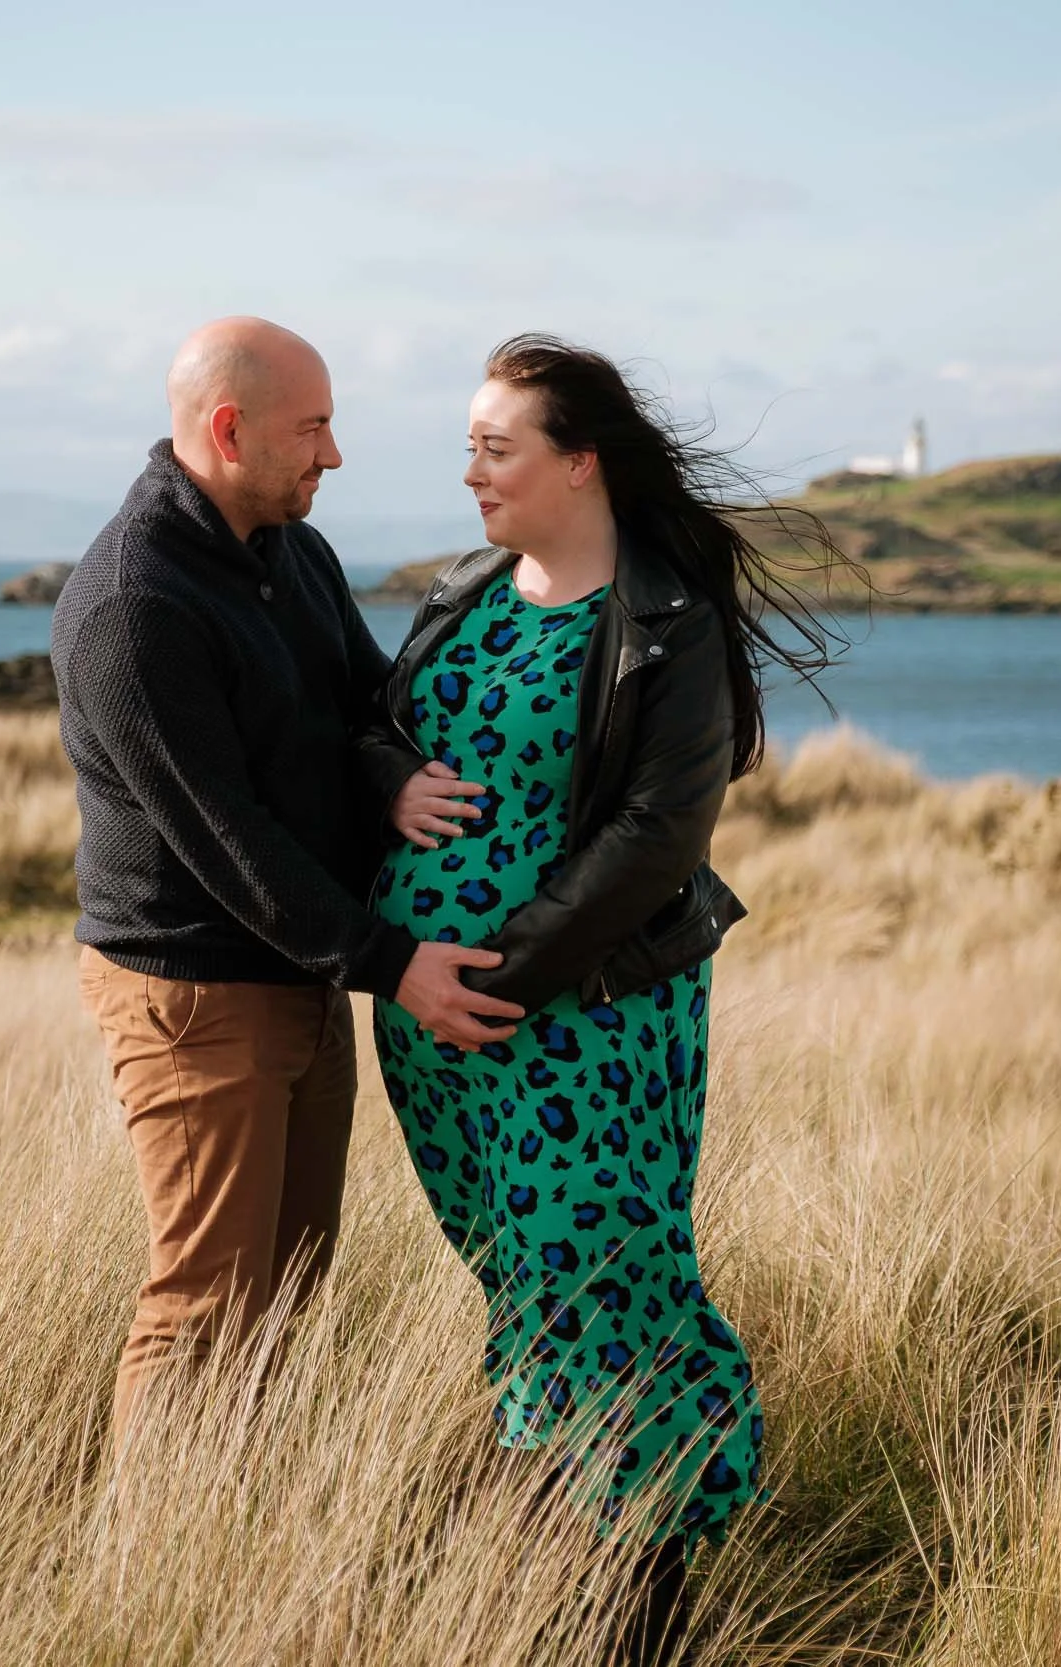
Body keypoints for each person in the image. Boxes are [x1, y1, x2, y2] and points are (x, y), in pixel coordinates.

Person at [366, 334, 852, 1661]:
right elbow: (380, 724)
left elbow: (657, 829)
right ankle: (554, 1575)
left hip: (579, 1022)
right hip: (438, 1034)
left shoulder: (665, 618)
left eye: (495, 444)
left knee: (607, 1279)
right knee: (525, 1282)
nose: (469, 468)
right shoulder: (464, 590)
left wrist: (502, 976)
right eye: (470, 444)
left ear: (581, 460)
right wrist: (384, 782)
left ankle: (638, 1605)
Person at [51, 317, 525, 1455]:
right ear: (228, 430)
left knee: (294, 1288)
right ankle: (147, 1576)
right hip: (195, 996)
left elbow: (368, 702)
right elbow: (230, 843)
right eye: (312, 428)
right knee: (205, 1303)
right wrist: (394, 967)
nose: (334, 454)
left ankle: (239, 1525)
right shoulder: (135, 605)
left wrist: (392, 774)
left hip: (301, 973)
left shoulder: (288, 546)